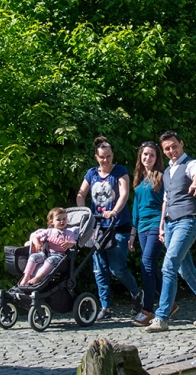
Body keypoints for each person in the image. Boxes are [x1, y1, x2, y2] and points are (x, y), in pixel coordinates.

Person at [145, 131, 196, 332]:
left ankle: (161, 317)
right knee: (185, 269)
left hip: (186, 222)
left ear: (181, 144)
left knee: (168, 266)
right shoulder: (167, 172)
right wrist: (161, 225)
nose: (171, 151)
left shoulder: (190, 164)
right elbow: (166, 200)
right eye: (167, 149)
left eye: (174, 146)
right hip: (169, 224)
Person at [76, 136, 142, 320]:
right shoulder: (91, 173)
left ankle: (136, 294)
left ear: (113, 156)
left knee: (117, 268)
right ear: (96, 157)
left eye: (109, 157)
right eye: (102, 157)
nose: (105, 160)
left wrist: (114, 211)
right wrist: (83, 211)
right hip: (97, 227)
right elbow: (81, 194)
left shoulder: (119, 171)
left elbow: (124, 193)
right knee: (99, 269)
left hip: (117, 226)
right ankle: (105, 307)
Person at [129, 141, 165, 327]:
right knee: (151, 268)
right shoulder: (138, 178)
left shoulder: (161, 177)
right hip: (142, 228)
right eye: (145, 154)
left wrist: (163, 226)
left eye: (151, 155)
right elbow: (136, 208)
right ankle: (170, 303)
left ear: (157, 158)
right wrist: (132, 234)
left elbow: (167, 203)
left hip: (155, 225)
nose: (147, 158)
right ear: (140, 157)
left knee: (147, 265)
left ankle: (148, 310)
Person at [18, 207, 78, 287]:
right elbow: (35, 237)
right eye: (58, 220)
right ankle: (26, 276)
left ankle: (38, 277)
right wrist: (37, 244)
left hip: (59, 255)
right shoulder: (49, 231)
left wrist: (68, 244)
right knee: (33, 257)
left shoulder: (69, 233)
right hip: (46, 253)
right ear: (52, 222)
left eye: (64, 219)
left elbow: (73, 243)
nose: (62, 221)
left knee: (50, 260)